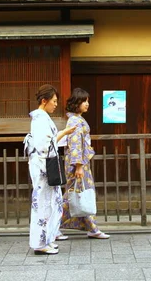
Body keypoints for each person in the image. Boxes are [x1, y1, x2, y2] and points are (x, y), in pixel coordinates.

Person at [25, 84, 76, 255]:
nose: (56, 104)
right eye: (53, 101)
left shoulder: (42, 117)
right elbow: (44, 145)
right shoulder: (40, 118)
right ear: (44, 101)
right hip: (42, 166)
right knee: (44, 203)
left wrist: (61, 134)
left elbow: (49, 142)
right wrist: (63, 133)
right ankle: (40, 242)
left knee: (52, 201)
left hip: (44, 164)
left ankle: (47, 239)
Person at [57, 88, 110, 240]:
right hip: (77, 164)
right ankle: (52, 227)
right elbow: (75, 144)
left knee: (82, 193)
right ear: (77, 103)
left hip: (80, 162)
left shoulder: (77, 119)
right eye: (84, 101)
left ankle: (92, 228)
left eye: (88, 101)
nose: (87, 104)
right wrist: (78, 165)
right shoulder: (74, 121)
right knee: (73, 195)